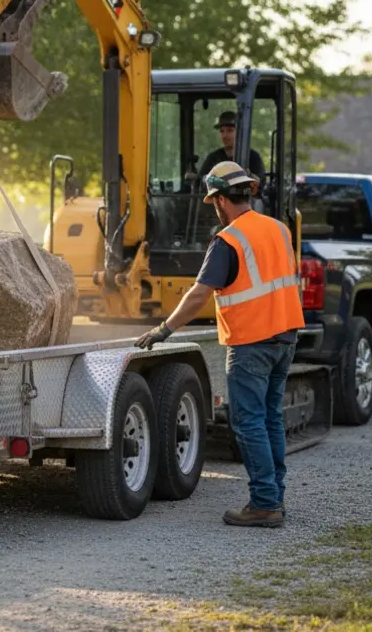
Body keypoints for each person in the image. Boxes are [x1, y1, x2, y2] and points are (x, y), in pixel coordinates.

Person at [135, 161, 305, 528]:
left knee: (248, 422)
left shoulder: (228, 240)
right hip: (286, 337)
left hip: (252, 343)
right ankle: (274, 496)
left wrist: (164, 329)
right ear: (248, 192)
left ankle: (264, 504)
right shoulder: (279, 229)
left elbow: (199, 294)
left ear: (219, 201)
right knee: (270, 417)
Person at [198, 111, 267, 182]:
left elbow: (261, 183)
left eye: (230, 131)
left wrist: (249, 175)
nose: (224, 135)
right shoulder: (213, 158)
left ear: (239, 133)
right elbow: (200, 180)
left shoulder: (253, 157)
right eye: (222, 131)